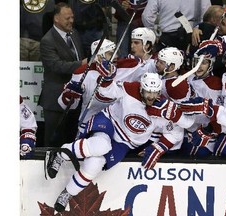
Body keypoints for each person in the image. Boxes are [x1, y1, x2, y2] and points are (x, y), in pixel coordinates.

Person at [45, 72, 190, 212]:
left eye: (155, 92)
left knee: (95, 164)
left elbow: (181, 129)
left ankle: (67, 193)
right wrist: (107, 79)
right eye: (148, 92)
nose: (151, 96)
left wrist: (160, 145)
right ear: (141, 89)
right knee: (102, 145)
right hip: (109, 123)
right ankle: (60, 154)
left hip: (125, 143)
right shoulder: (130, 89)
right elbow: (107, 91)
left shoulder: (163, 109)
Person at [58, 38, 148, 139]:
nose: (116, 56)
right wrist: (69, 95)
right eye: (111, 53)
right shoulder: (82, 73)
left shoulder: (127, 67)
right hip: (89, 122)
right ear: (99, 57)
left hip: (119, 123)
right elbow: (69, 106)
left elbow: (150, 68)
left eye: (115, 53)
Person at [38, 2, 87, 147]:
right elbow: (56, 66)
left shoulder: (74, 33)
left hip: (75, 98)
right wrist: (82, 64)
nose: (71, 20)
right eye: (67, 18)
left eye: (72, 17)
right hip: (55, 100)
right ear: (56, 19)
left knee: (71, 141)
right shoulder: (47, 41)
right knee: (53, 143)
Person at [182, 54, 222, 157]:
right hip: (186, 133)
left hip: (204, 138)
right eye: (197, 62)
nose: (199, 66)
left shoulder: (214, 84)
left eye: (203, 63)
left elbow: (216, 117)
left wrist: (207, 131)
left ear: (211, 64)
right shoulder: (189, 77)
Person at [141, 0, 211, 53]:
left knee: (166, 68)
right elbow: (208, 13)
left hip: (168, 38)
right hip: (192, 37)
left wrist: (153, 34)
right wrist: (199, 27)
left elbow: (147, 17)